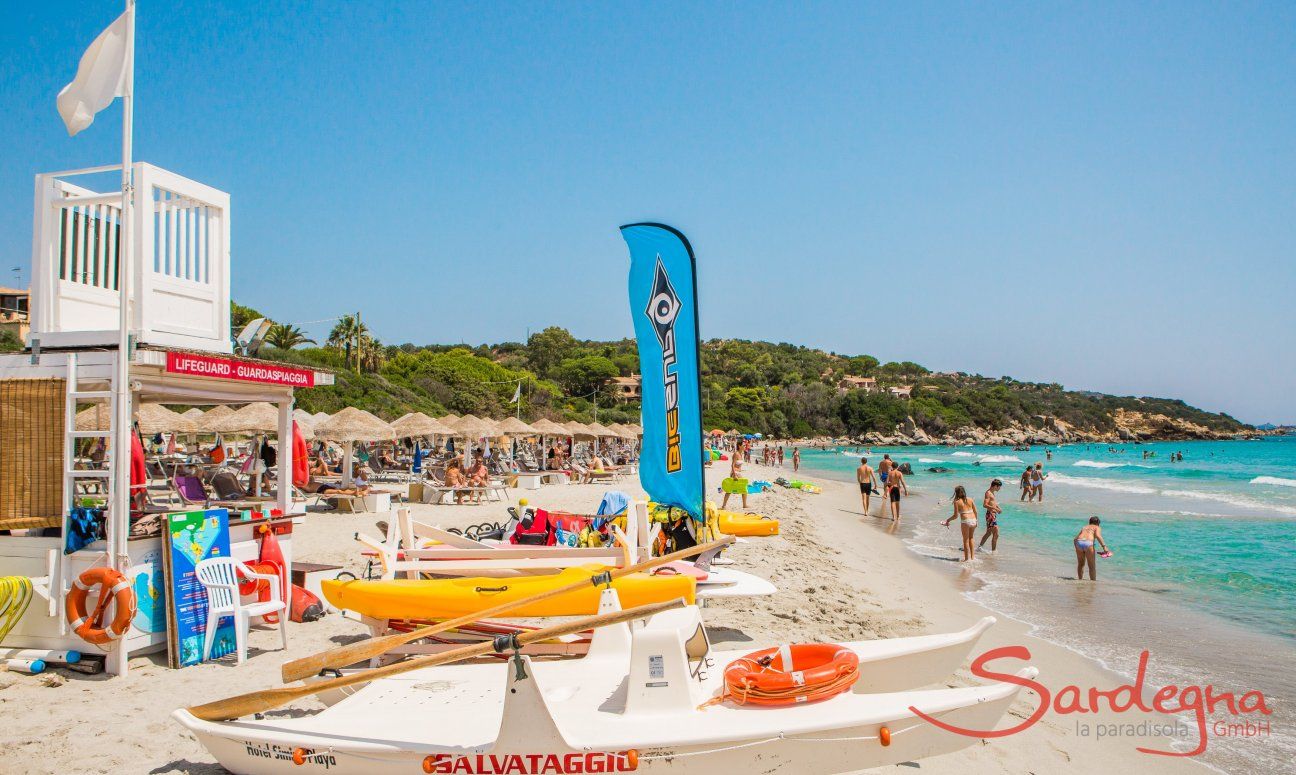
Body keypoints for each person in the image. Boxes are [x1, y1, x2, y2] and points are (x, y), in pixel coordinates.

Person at [942, 485, 978, 562]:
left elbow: (955, 516)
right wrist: (976, 521)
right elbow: (976, 511)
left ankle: (966, 559)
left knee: (965, 540)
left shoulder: (957, 502)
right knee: (971, 538)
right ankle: (972, 558)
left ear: (956, 493)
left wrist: (948, 520)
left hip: (966, 521)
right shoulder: (970, 499)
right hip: (973, 520)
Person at [979, 479, 1003, 551]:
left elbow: (992, 503)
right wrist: (996, 509)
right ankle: (993, 552)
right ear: (995, 486)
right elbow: (985, 505)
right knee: (996, 534)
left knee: (989, 533)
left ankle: (979, 547)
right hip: (990, 515)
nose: (999, 489)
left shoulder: (992, 493)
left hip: (992, 514)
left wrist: (998, 508)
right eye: (999, 487)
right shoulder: (988, 493)